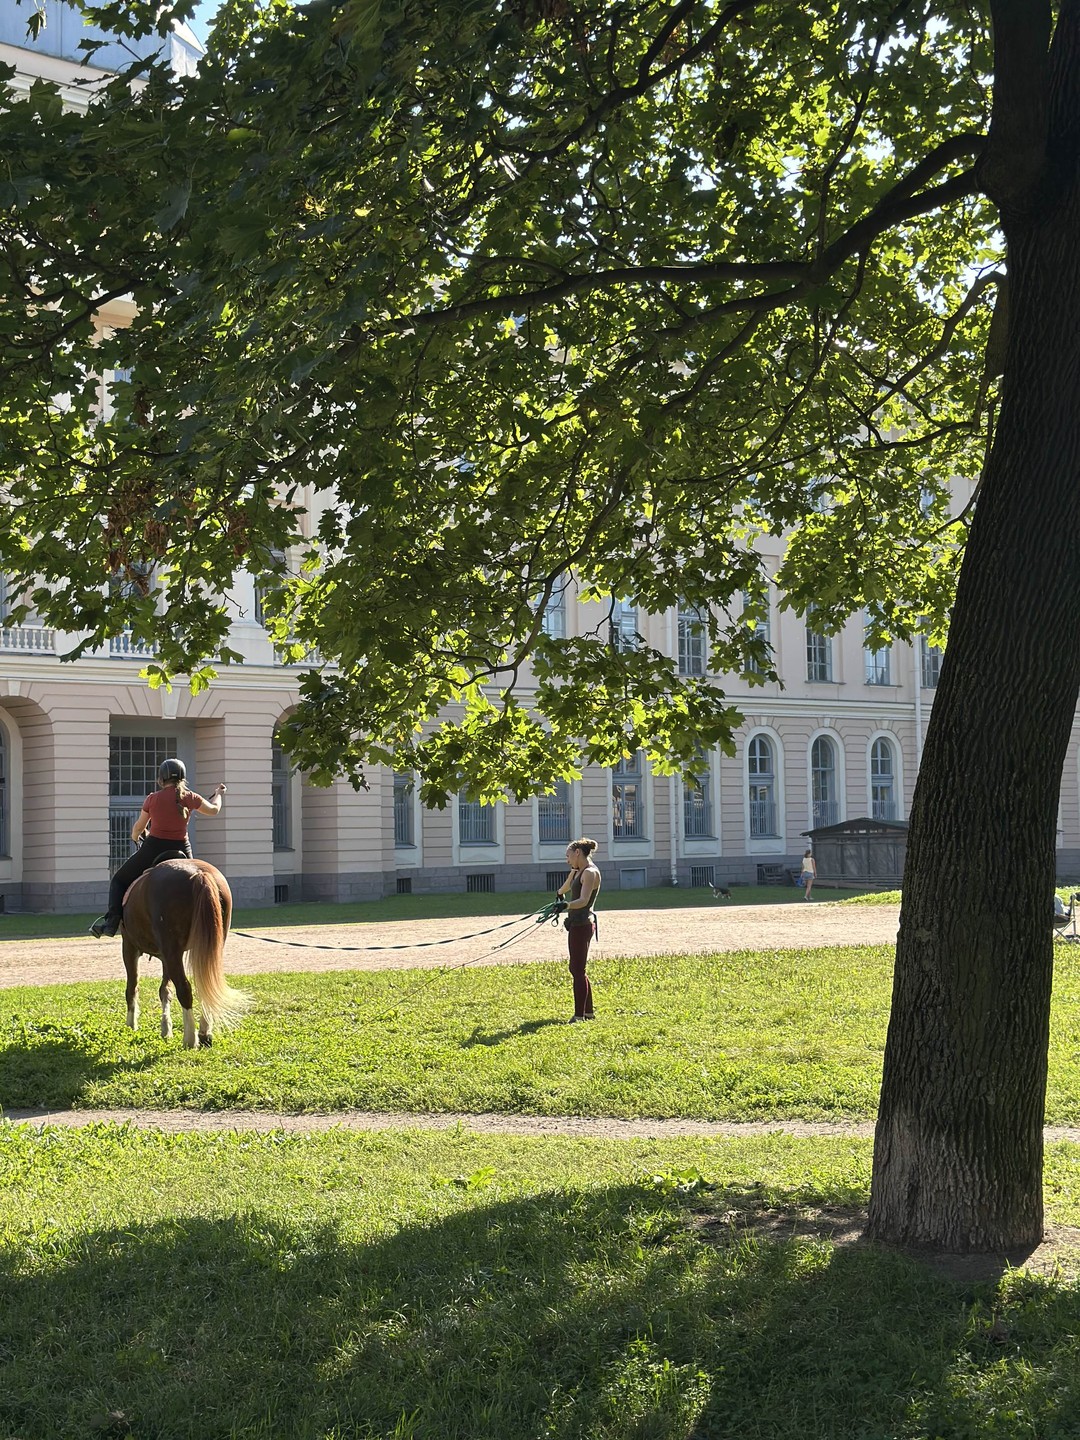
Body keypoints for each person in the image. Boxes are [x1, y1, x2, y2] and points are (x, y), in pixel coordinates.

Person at [89, 758, 226, 937]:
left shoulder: (152, 799)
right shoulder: (191, 797)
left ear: (161, 779)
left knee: (118, 880)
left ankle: (111, 922)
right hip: (182, 850)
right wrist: (218, 794)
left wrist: (135, 837)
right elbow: (215, 810)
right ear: (183, 778)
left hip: (154, 848)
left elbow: (139, 827)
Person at [555, 836, 602, 1022]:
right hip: (575, 924)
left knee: (577, 969)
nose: (567, 860)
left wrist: (565, 906)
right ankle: (588, 1012)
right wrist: (559, 894)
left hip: (583, 924)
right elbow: (565, 888)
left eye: (568, 856)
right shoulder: (579, 870)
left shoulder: (590, 873)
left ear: (577, 853)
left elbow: (583, 900)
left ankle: (579, 1016)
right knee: (577, 969)